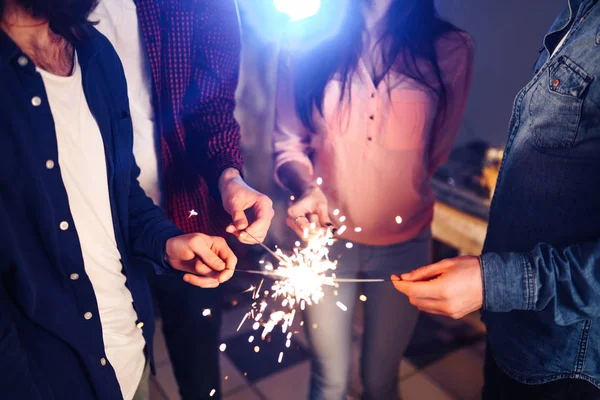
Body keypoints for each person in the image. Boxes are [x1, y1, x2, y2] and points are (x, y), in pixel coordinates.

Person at [0, 0, 239, 399]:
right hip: (51, 380)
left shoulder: (95, 52)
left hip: (128, 354)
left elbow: (119, 190)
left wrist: (166, 241)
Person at [393, 1, 600, 399]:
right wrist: (492, 282)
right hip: (518, 336)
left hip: (567, 364)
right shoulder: (579, 14)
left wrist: (493, 283)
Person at [273, 0, 474, 398]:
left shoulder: (451, 48)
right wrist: (307, 187)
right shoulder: (303, 38)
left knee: (381, 379)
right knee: (328, 376)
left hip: (405, 243)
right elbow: (287, 145)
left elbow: (436, 150)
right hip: (324, 242)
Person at [88, 1, 274, 398]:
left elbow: (211, 107)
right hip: (93, 218)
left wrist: (229, 176)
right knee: (114, 363)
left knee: (199, 369)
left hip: (182, 214)